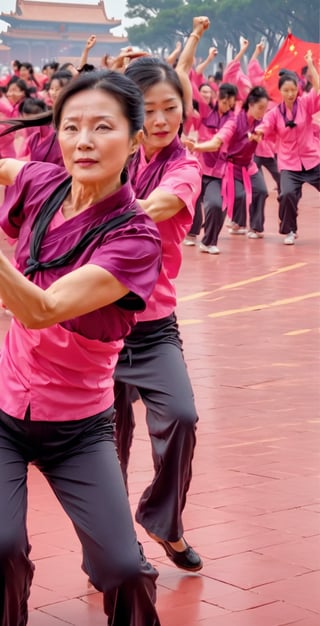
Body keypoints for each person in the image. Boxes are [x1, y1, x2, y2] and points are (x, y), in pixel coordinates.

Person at [0, 69, 162, 626]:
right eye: (71, 127)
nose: (84, 141)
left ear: (134, 139)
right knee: (0, 548)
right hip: (4, 410)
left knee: (122, 569)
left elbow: (41, 307)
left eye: (101, 127)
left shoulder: (135, 237)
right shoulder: (43, 182)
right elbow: (8, 166)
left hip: (78, 427)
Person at [112, 19, 206, 574]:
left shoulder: (184, 164)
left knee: (183, 418)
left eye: (172, 106)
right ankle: (114, 544)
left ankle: (164, 521)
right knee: (108, 446)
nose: (163, 119)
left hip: (153, 330)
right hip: (97, 332)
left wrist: (101, 214)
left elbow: (166, 204)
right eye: (150, 108)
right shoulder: (116, 152)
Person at [254, 51, 320, 244]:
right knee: (287, 194)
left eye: (293, 90)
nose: (290, 94)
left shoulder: (306, 104)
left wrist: (311, 64)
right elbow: (265, 125)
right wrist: (258, 132)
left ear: (298, 90)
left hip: (312, 159)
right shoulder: (275, 113)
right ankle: (290, 229)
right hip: (289, 163)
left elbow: (318, 88)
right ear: (281, 91)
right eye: (286, 90)